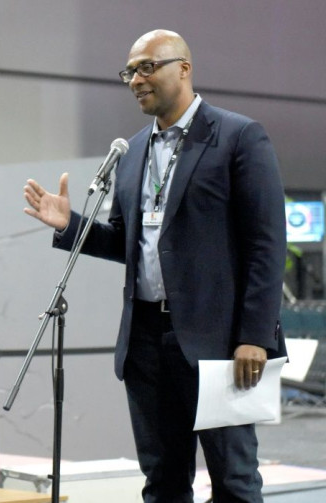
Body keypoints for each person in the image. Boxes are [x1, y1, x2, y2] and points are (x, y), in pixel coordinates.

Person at [23, 29, 287, 502]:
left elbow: (267, 245)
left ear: (183, 68)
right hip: (145, 344)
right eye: (130, 71)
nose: (135, 80)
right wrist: (71, 226)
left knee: (235, 483)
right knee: (162, 483)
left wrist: (255, 336)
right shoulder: (132, 152)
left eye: (147, 67)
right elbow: (129, 243)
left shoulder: (238, 136)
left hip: (220, 343)